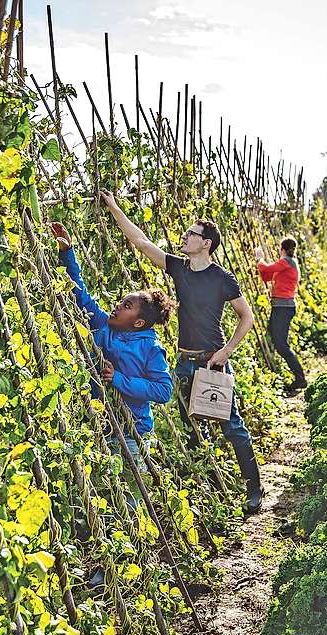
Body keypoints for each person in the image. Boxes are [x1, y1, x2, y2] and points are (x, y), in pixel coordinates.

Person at [97, 190, 264, 513]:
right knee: (192, 428)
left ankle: (253, 489)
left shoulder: (221, 279)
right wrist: (115, 208)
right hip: (184, 362)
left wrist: (226, 351)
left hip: (211, 364)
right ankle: (213, 484)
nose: (184, 237)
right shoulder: (180, 268)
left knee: (231, 425)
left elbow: (247, 316)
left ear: (207, 244)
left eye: (191, 234)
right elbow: (143, 243)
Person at [52, 221, 174, 451]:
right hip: (100, 424)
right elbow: (80, 294)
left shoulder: (150, 348)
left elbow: (163, 390)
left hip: (133, 432)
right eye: (121, 301)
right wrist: (68, 252)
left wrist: (118, 379)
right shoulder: (103, 324)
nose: (118, 306)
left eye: (126, 305)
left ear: (138, 323)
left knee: (131, 482)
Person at [255, 239, 307, 395]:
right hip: (281, 307)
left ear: (282, 248)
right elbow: (266, 276)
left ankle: (300, 378)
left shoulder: (286, 262)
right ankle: (290, 373)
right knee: (272, 333)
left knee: (281, 344)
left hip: (283, 308)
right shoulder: (288, 264)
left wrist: (259, 257)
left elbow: (266, 268)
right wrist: (262, 267)